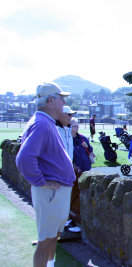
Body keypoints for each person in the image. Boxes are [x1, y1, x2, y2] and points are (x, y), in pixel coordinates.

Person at [15, 82, 75, 267]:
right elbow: (24, 159)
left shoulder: (44, 122)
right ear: (51, 100)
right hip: (52, 193)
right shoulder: (41, 124)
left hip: (55, 193)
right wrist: (41, 182)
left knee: (52, 237)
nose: (64, 102)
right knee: (44, 242)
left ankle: (50, 264)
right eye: (61, 98)